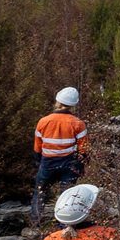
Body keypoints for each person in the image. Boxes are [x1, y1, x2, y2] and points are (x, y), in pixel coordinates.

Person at [33, 87, 89, 224]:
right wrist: (82, 166)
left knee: (40, 195)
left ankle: (35, 225)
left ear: (57, 101)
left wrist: (39, 162)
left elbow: (37, 147)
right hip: (70, 167)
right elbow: (83, 150)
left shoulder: (43, 121)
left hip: (47, 165)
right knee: (67, 197)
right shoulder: (78, 123)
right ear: (73, 105)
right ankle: (64, 227)